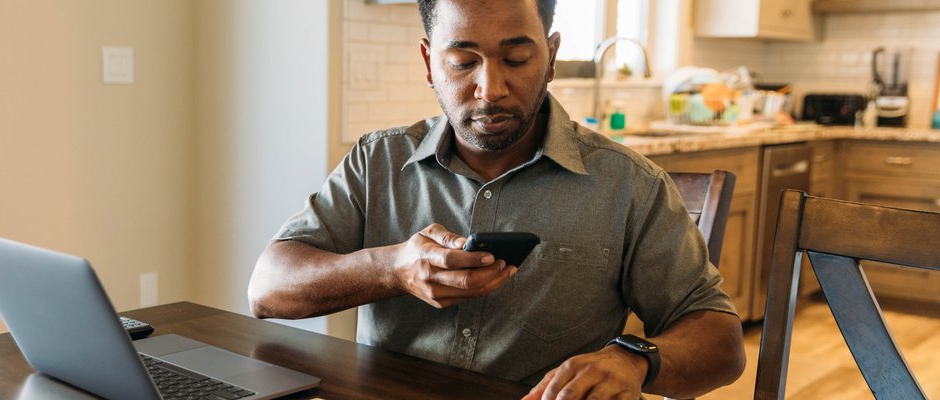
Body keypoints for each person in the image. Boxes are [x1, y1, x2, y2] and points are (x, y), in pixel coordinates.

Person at [247, 0, 745, 398]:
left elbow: (722, 344)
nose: (491, 88)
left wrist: (635, 358)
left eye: (516, 58)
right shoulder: (377, 161)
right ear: (429, 62)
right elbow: (268, 290)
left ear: (550, 57)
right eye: (463, 61)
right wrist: (392, 268)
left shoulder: (631, 185)